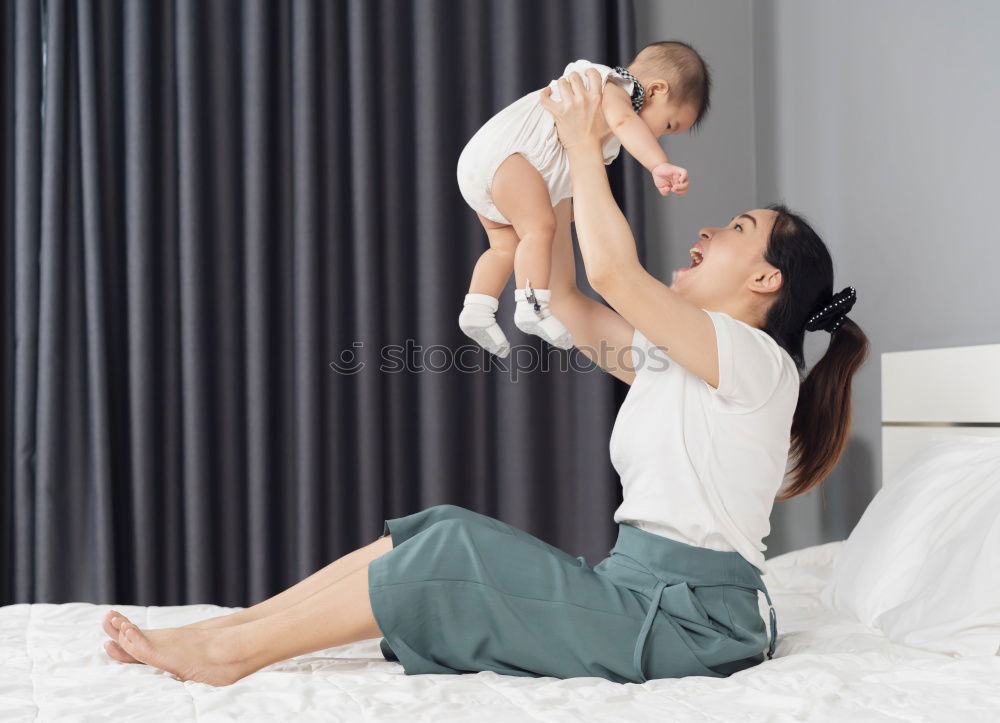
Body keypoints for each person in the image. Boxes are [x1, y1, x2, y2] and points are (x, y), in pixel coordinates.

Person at [100, 69, 870, 687]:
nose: (707, 229)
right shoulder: (679, 356)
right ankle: (228, 629)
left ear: (767, 279)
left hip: (695, 621)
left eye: (735, 229)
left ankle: (232, 657)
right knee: (440, 527)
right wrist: (552, 182)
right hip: (640, 591)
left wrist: (576, 143)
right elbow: (570, 296)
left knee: (448, 559)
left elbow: (613, 271)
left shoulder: (758, 363)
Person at [456, 41, 710, 357]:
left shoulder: (603, 133)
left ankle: (477, 310)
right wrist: (658, 164)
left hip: (483, 171)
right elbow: (624, 122)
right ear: (657, 90)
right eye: (669, 125)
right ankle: (532, 306)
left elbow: (573, 181)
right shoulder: (610, 86)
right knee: (540, 229)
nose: (658, 136)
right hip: (510, 158)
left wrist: (579, 210)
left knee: (504, 246)